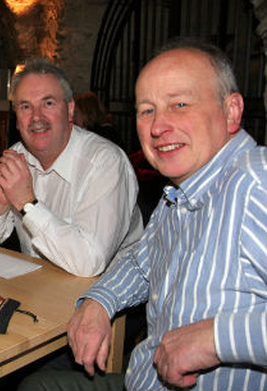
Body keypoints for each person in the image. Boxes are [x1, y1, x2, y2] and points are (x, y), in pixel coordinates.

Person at [19, 38, 267, 391]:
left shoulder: (256, 183)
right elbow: (141, 261)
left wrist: (215, 339)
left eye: (179, 104)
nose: (157, 127)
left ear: (231, 111)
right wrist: (98, 301)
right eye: (147, 110)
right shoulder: (180, 193)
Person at [0, 58, 143, 278]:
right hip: (39, 286)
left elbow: (89, 262)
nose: (36, 117)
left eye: (48, 103)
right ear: (17, 121)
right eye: (25, 107)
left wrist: (27, 203)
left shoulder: (105, 162)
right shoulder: (17, 156)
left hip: (106, 295)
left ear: (69, 110)